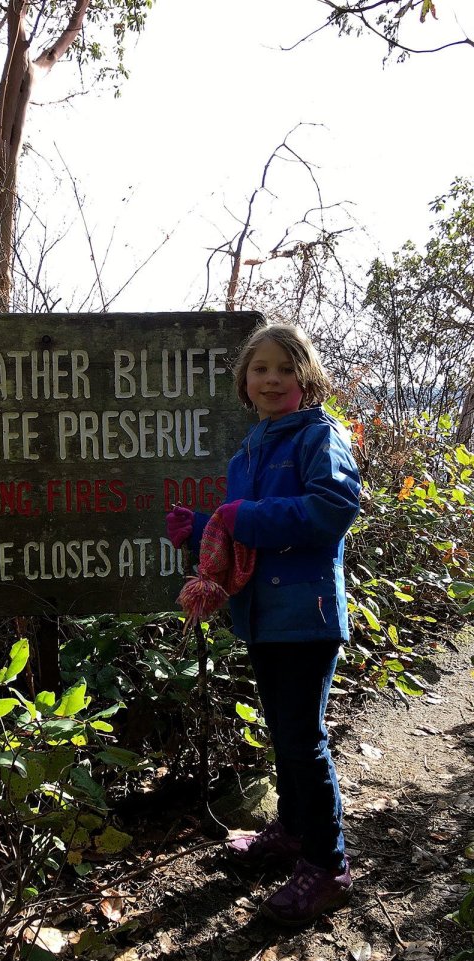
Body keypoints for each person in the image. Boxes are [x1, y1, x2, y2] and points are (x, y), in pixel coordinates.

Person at [166, 322, 361, 927]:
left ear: (306, 378)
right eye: (259, 369)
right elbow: (243, 540)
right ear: (244, 382)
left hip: (308, 615)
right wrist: (202, 530)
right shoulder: (249, 450)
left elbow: (332, 509)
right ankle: (295, 834)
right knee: (284, 731)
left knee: (303, 739)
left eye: (284, 368)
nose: (271, 378)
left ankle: (328, 866)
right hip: (263, 615)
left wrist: (242, 515)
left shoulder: (319, 436)